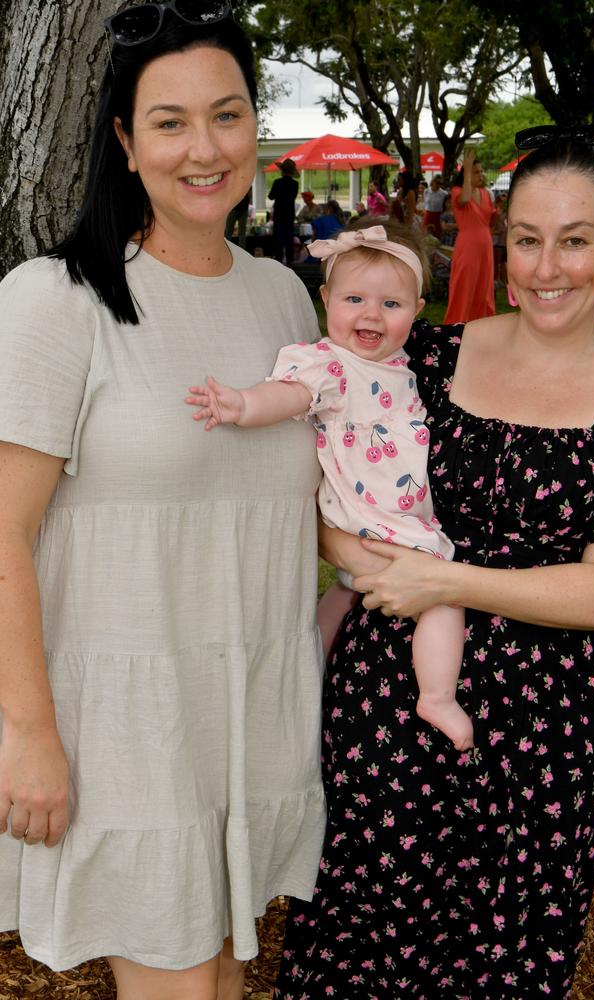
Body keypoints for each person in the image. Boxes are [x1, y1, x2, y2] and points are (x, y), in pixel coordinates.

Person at [274, 124, 594, 998]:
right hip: (386, 702)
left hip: (533, 740)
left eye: (575, 240)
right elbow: (330, 483)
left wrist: (444, 580)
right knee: (358, 952)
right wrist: (357, 556)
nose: (547, 267)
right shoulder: (429, 358)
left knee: (494, 964)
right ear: (501, 240)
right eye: (527, 240)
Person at [0, 5, 326, 1000]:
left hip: (252, 716)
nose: (205, 148)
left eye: (226, 116)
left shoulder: (285, 299)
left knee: (223, 977)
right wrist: (29, 733)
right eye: (170, 121)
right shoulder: (56, 298)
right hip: (123, 731)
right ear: (123, 142)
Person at [185, 221, 472, 750]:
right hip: (381, 524)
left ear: (417, 310)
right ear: (325, 300)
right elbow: (291, 395)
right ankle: (437, 694)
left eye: (392, 304)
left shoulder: (400, 367)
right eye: (355, 298)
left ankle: (302, 679)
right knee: (443, 598)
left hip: (386, 517)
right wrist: (244, 405)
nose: (371, 314)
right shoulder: (332, 366)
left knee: (342, 595)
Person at [444, 148, 496, 323]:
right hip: (468, 245)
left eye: (481, 171)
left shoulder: (485, 194)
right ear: (466, 173)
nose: (480, 174)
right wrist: (466, 169)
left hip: (485, 245)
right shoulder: (458, 192)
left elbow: (491, 219)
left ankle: (482, 324)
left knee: (484, 287)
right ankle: (457, 325)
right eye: (476, 172)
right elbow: (465, 199)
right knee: (464, 286)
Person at [268, 158, 299, 264]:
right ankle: (290, 260)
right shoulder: (295, 184)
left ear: (282, 171)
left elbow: (271, 197)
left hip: (279, 214)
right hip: (290, 214)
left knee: (279, 239)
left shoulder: (277, 182)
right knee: (289, 239)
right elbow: (293, 197)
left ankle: (278, 260)